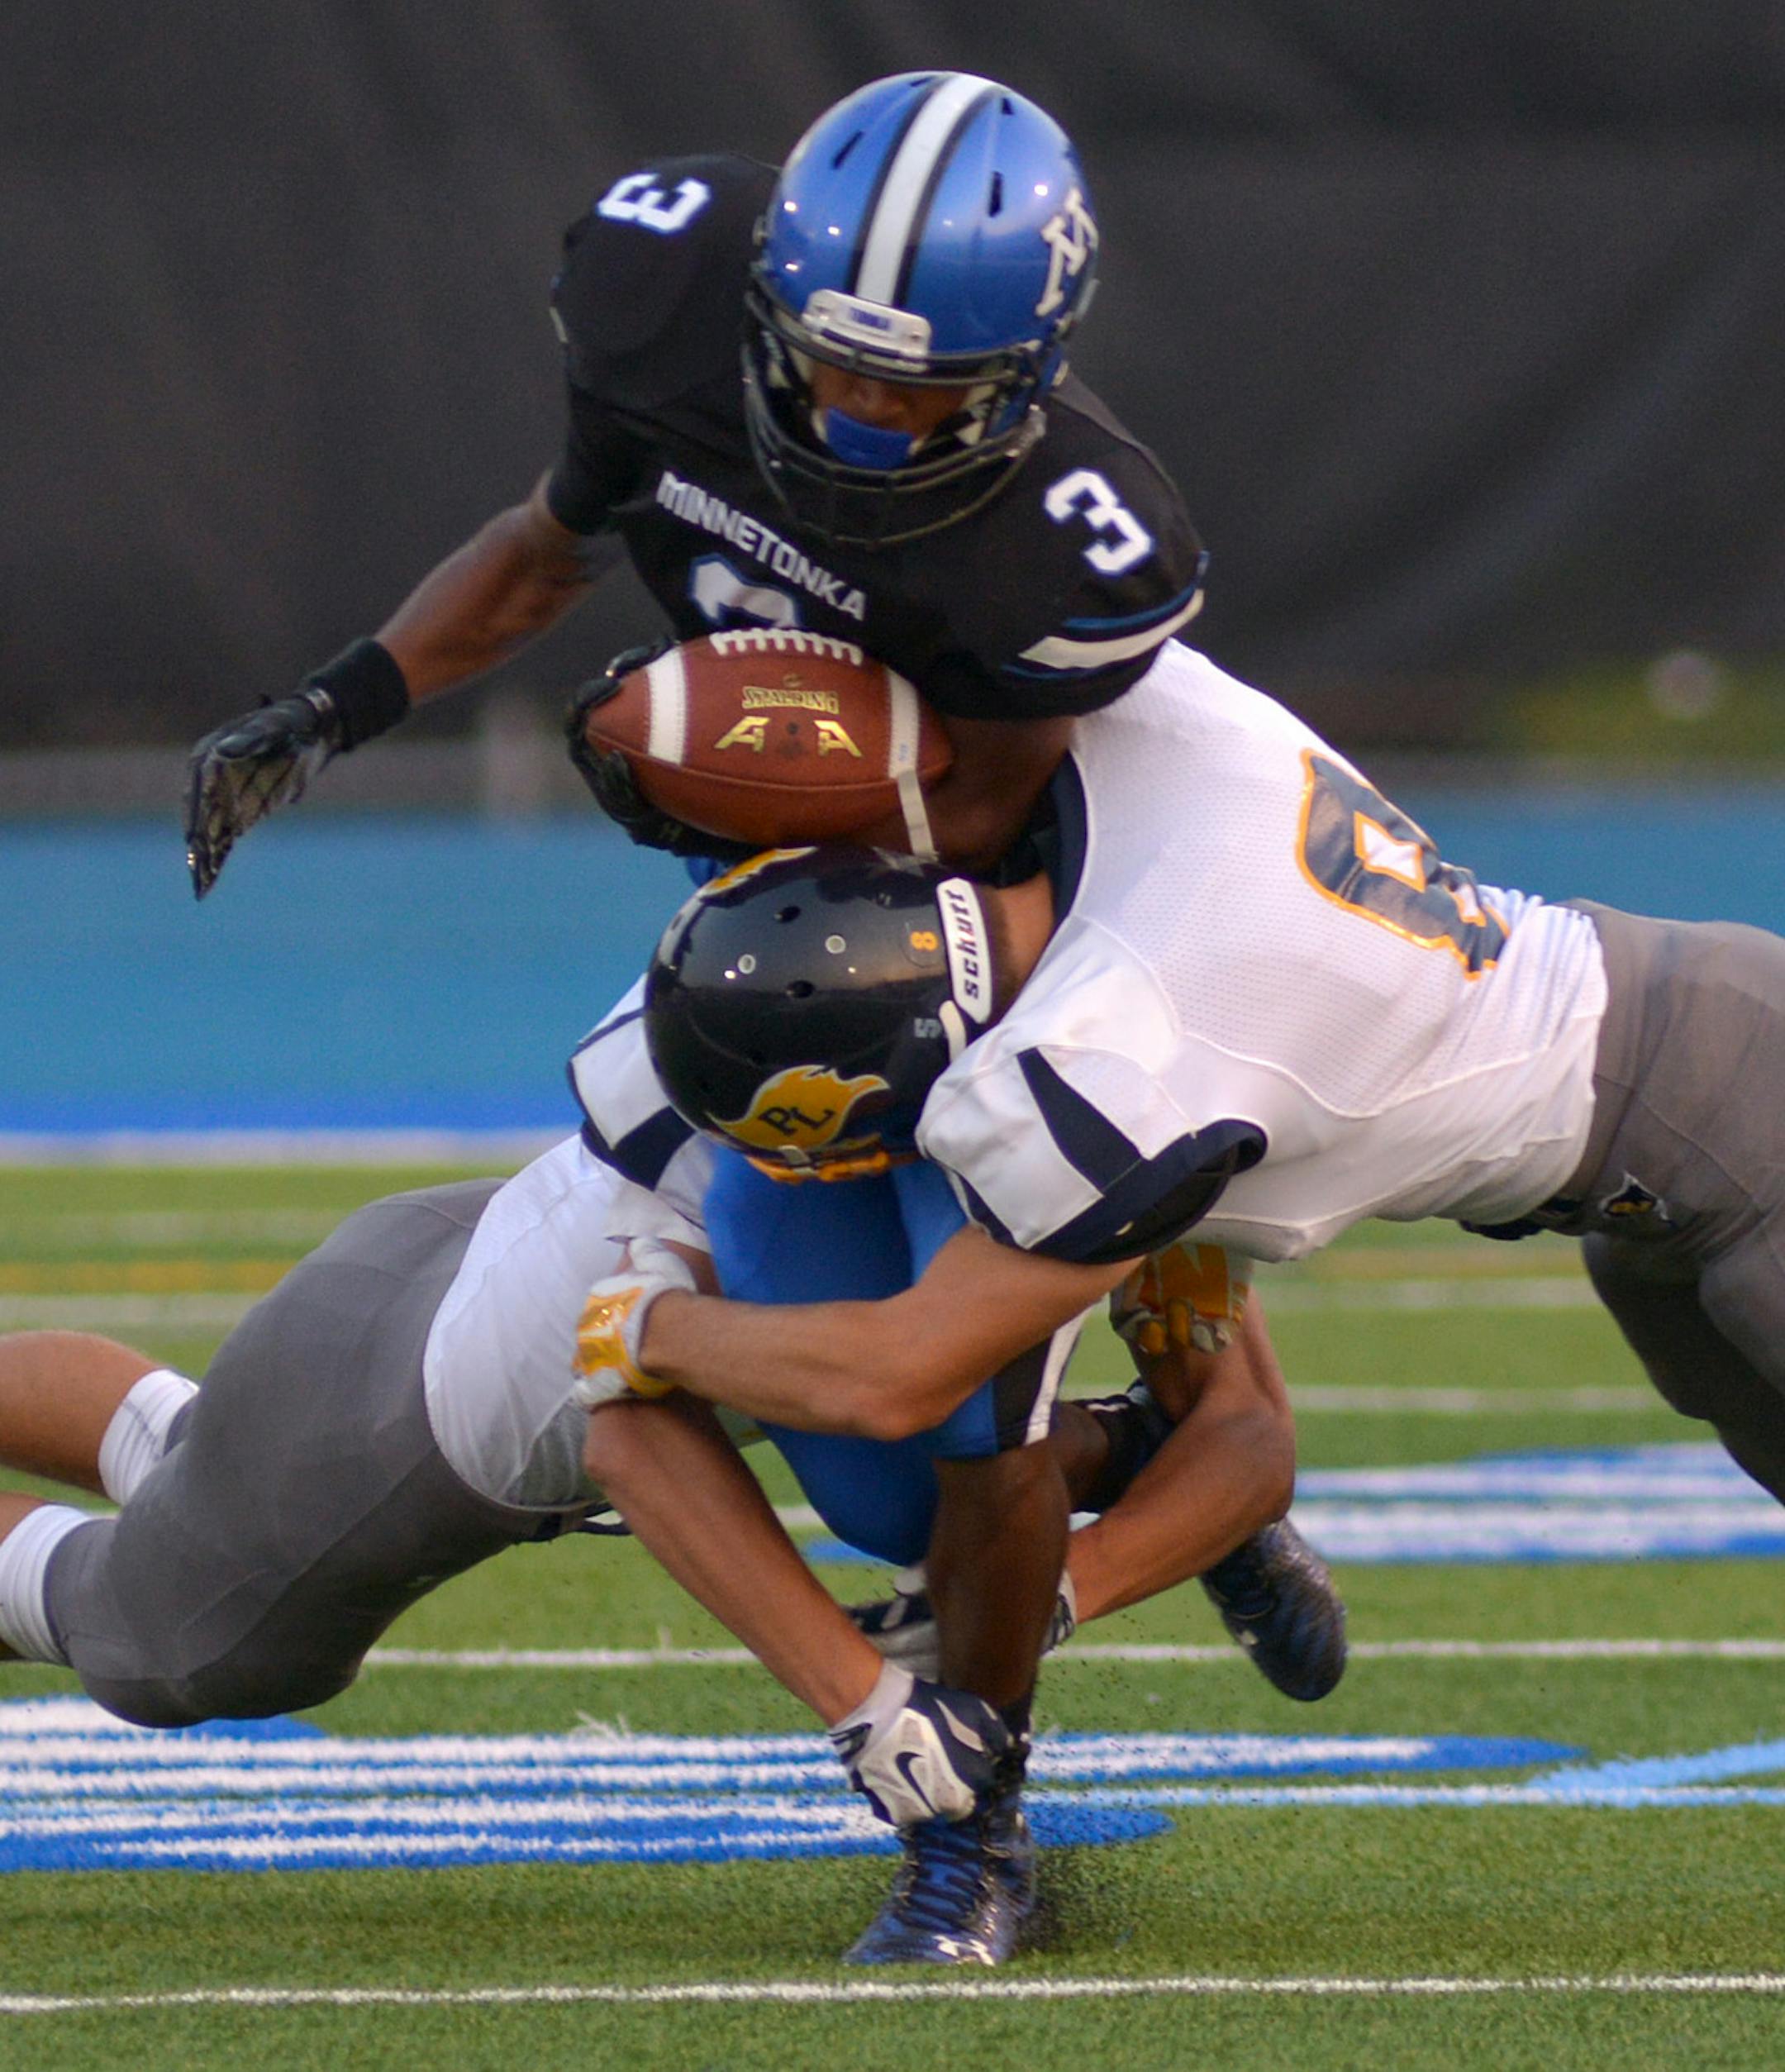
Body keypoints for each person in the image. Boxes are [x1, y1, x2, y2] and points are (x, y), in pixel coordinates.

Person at [568, 631, 1785, 1951]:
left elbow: (896, 1372)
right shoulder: (1121, 747)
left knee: (969, 1439)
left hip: (1729, 1109)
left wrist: (649, 1324)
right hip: (1649, 1129)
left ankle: (988, 1810)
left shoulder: (1130, 1057)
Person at [0, 1123, 1332, 1956]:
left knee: (191, 1455)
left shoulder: (1087, 1104)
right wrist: (873, 1706)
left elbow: (1240, 1427)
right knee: (160, 1631)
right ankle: (973, 1818)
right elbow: (633, 1440)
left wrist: (1054, 1589)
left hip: (449, 1265)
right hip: (391, 1424)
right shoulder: (796, 1197)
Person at [183, 69, 1206, 894]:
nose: (865, 412)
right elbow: (546, 552)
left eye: (921, 391)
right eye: (830, 362)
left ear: (1029, 371)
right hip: (817, 865)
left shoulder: (1076, 537)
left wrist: (704, 789)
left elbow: (979, 818)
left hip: (1048, 881)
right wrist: (335, 707)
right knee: (638, 1113)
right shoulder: (668, 296)